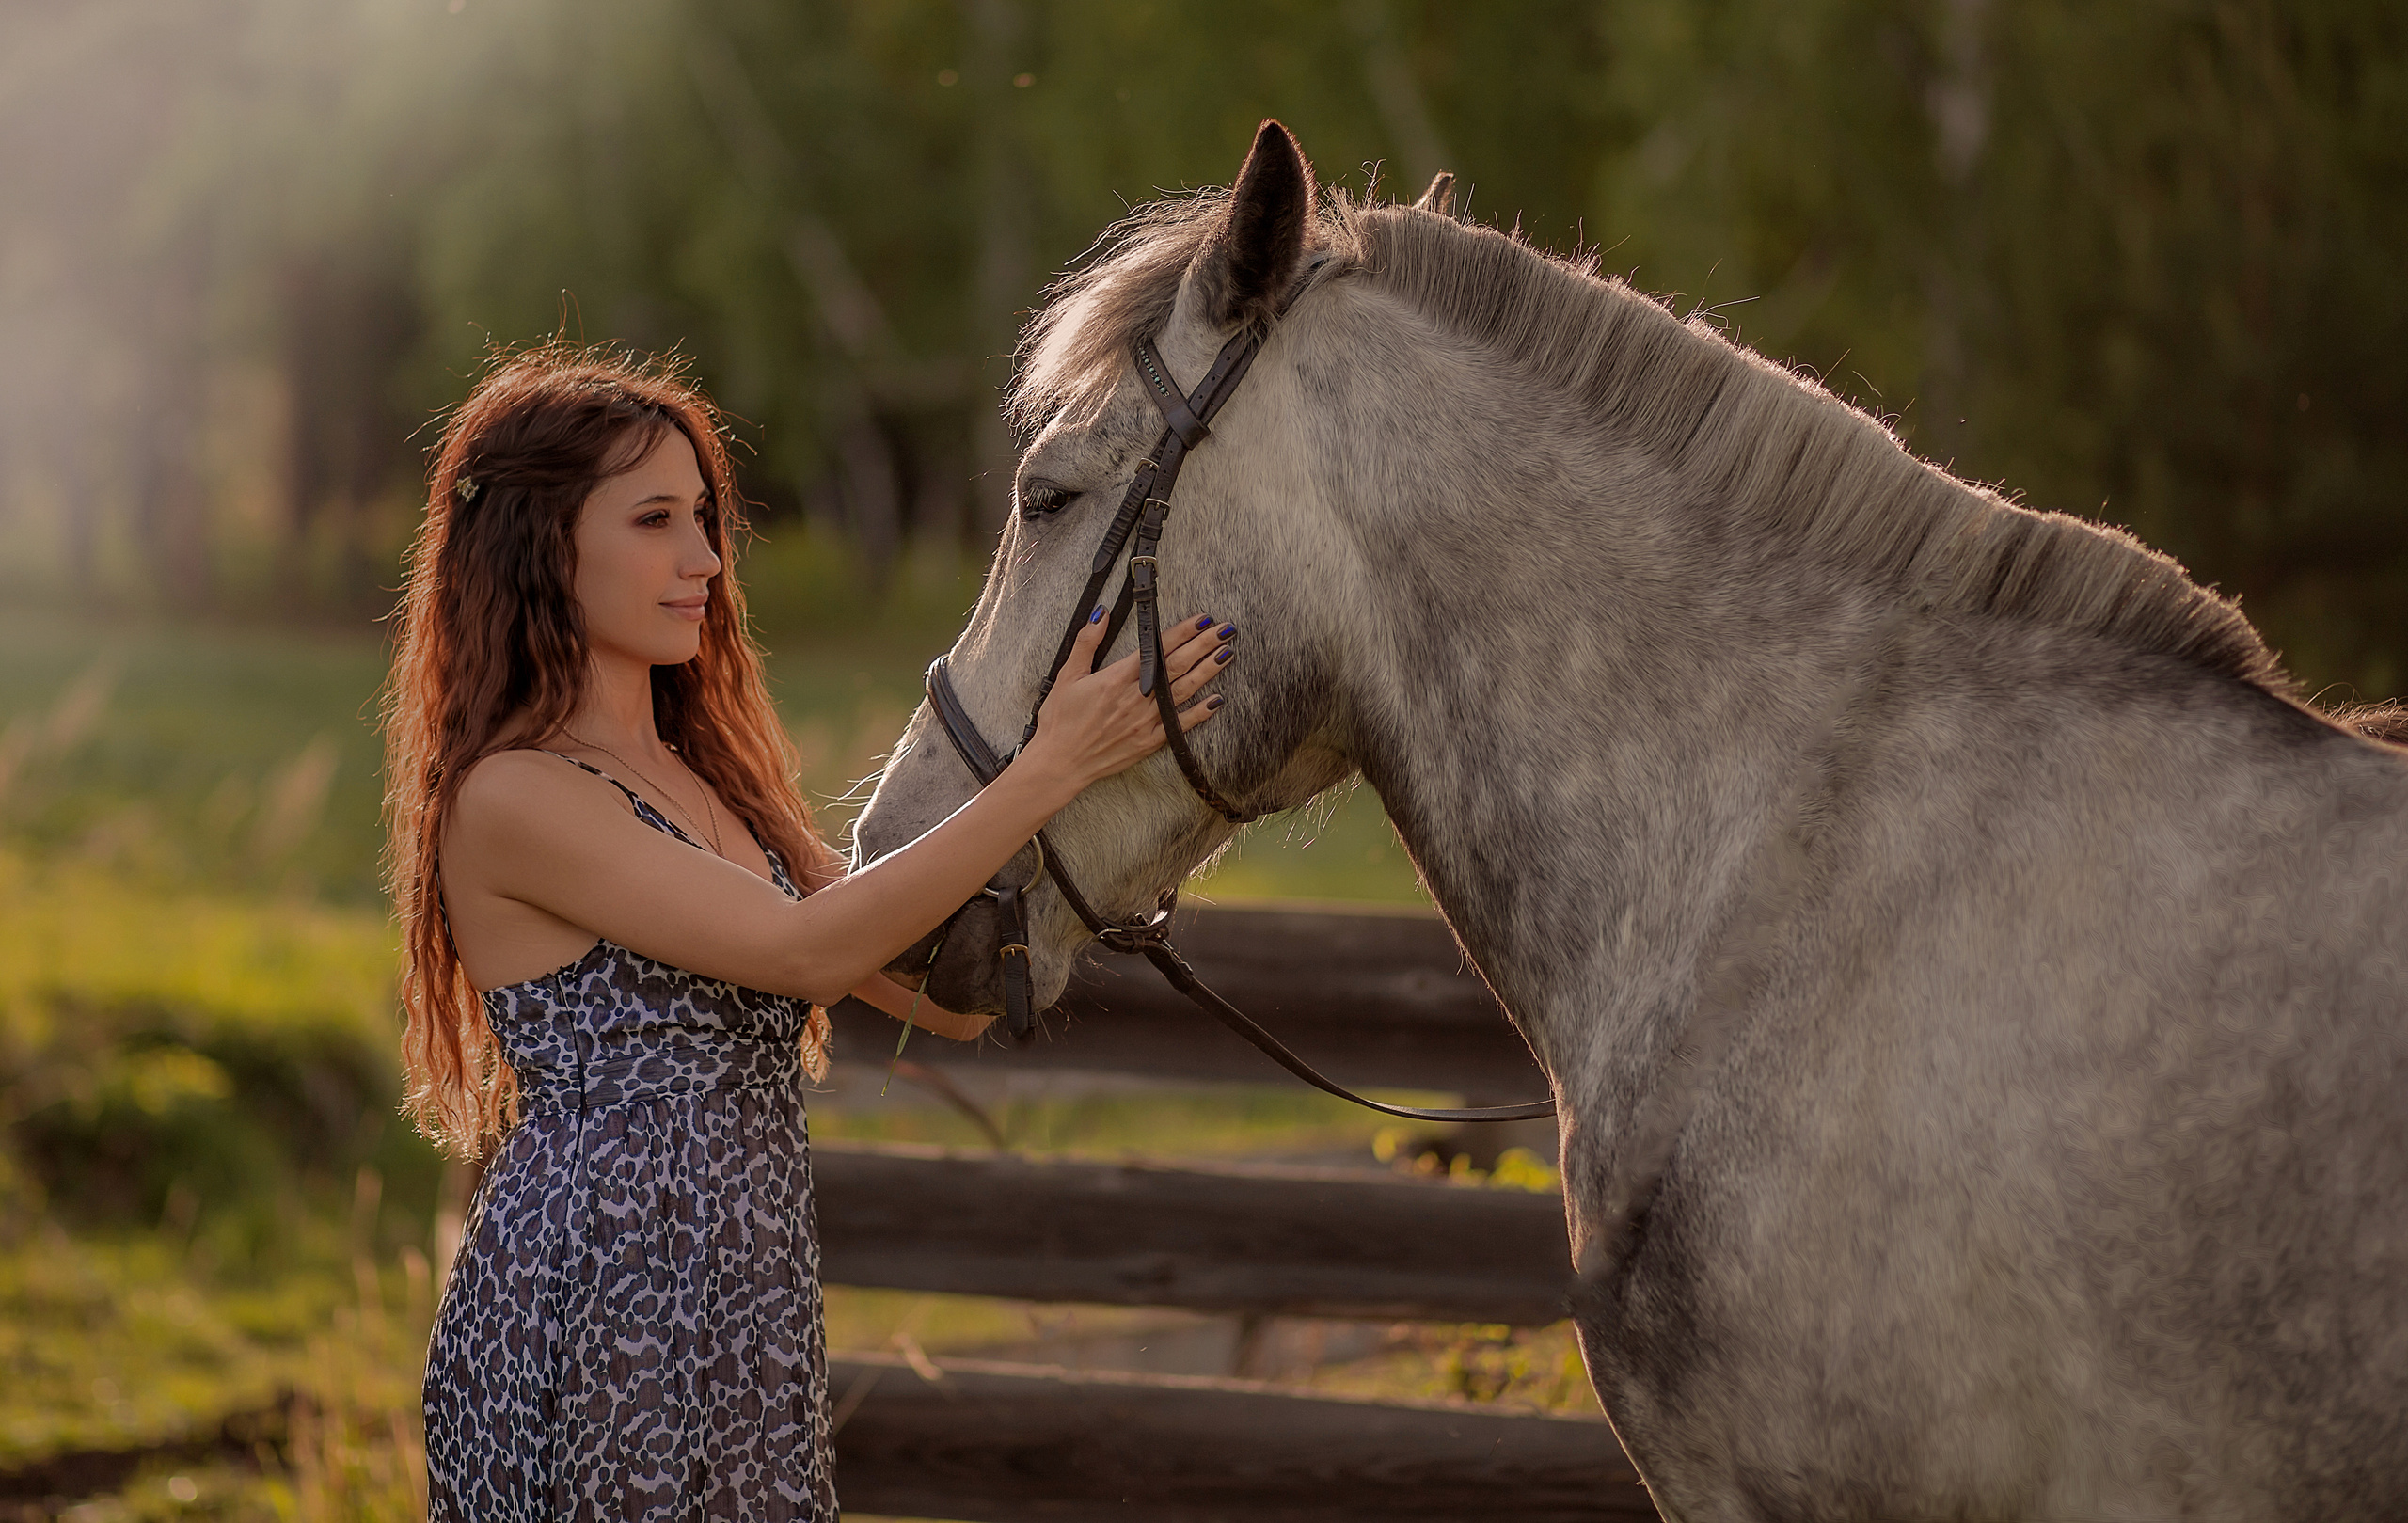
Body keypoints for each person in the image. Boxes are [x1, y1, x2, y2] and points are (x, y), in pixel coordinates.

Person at [383, 342, 1235, 1519]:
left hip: (742, 1294)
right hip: (596, 1295)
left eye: (705, 517)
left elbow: (936, 991)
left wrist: (1135, 806)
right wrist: (1050, 765)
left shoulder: (711, 787)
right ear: (543, 542)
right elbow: (809, 952)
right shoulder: (514, 796)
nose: (703, 560)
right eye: (655, 521)